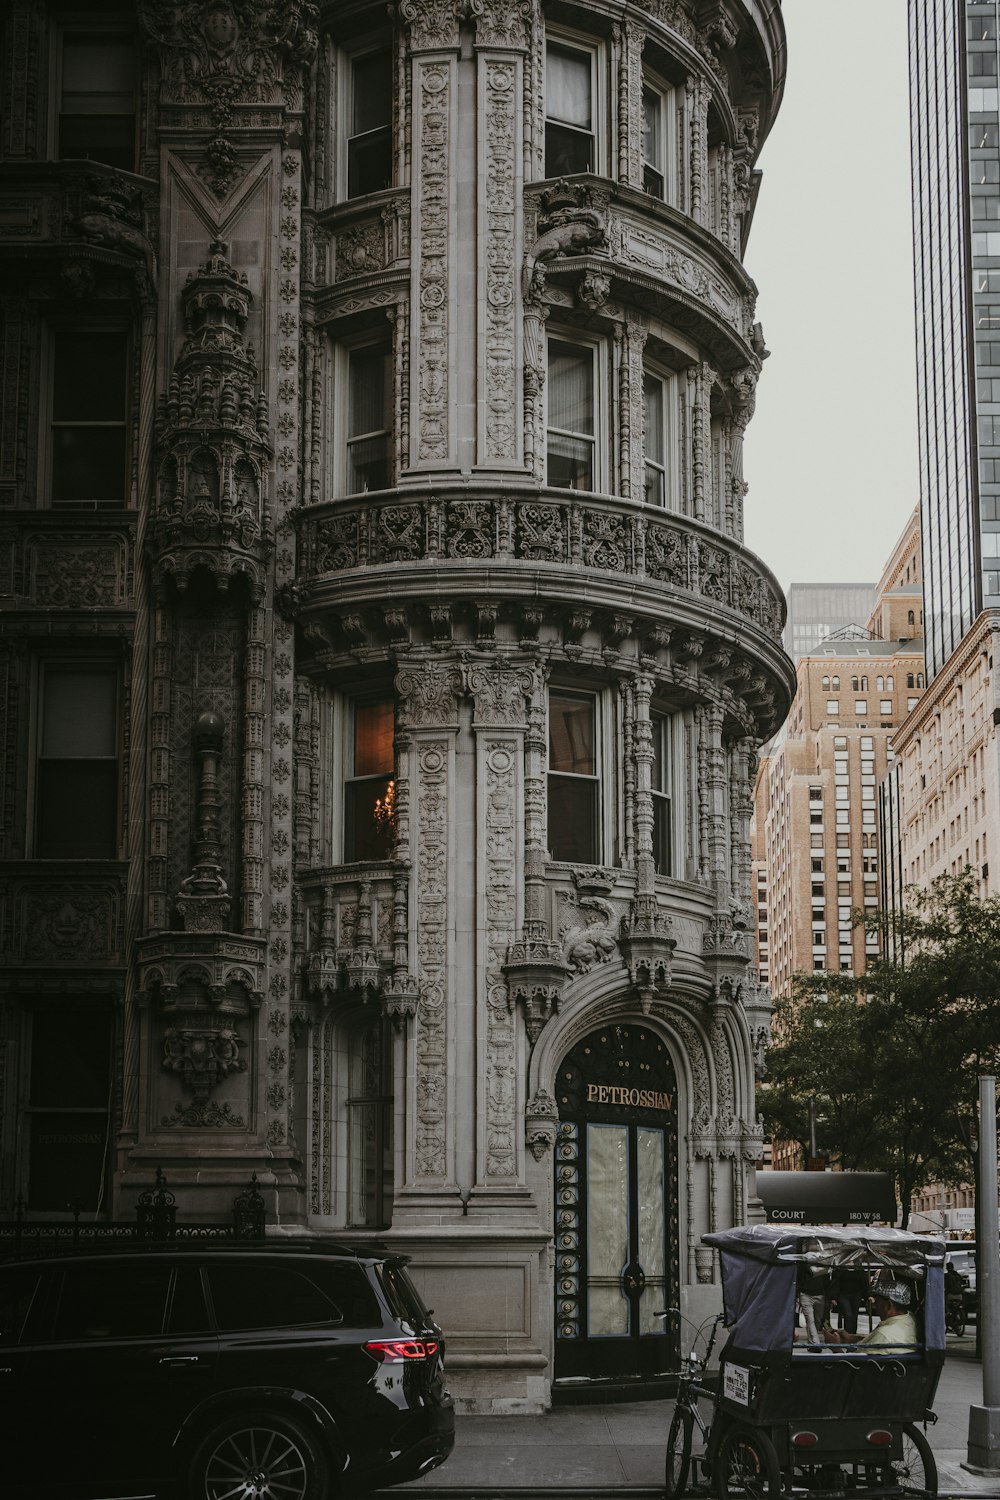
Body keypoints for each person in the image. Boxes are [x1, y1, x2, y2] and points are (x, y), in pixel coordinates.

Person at [823, 1278, 918, 1348]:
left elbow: (853, 1365)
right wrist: (850, 1338)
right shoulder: (909, 1317)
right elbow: (873, 1340)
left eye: (877, 1301)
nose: (874, 1305)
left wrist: (835, 1347)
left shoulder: (884, 1334)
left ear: (888, 1305)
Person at [797, 1258, 831, 1344]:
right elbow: (798, 1280)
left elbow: (827, 1282)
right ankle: (815, 1343)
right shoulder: (803, 1266)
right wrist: (798, 1295)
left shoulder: (823, 1266)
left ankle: (811, 1341)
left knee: (817, 1320)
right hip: (805, 1294)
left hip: (820, 1295)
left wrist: (828, 1297)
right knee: (810, 1320)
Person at [830, 1264, 867, 1335]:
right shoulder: (840, 1269)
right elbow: (835, 1283)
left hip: (856, 1295)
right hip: (843, 1295)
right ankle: (848, 1335)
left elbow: (864, 1282)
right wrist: (833, 1297)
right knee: (848, 1315)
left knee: (854, 1316)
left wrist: (868, 1295)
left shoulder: (859, 1269)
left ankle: (853, 1334)